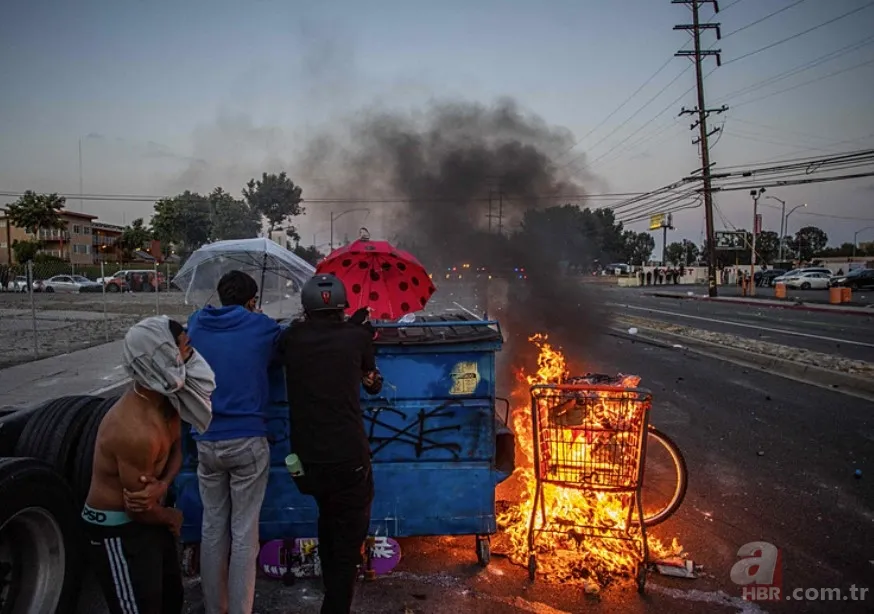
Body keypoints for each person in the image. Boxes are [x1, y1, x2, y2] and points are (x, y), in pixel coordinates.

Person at [83, 315, 216, 614]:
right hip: (118, 529)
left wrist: (163, 485)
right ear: (162, 358)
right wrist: (171, 516)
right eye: (185, 349)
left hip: (151, 514)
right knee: (139, 607)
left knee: (171, 598)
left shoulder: (168, 400)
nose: (191, 355)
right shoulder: (135, 431)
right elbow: (136, 508)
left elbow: (177, 448)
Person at [279, 274, 383, 614]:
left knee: (327, 519)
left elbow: (316, 340)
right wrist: (358, 327)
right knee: (347, 546)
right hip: (349, 460)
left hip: (307, 464)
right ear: (342, 306)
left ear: (305, 307)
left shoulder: (291, 338)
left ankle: (330, 590)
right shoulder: (358, 337)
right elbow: (371, 380)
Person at [186, 270, 282, 614]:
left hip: (206, 439)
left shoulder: (196, 323)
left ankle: (216, 607)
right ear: (252, 301)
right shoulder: (263, 327)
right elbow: (276, 351)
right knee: (244, 533)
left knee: (213, 528)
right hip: (247, 441)